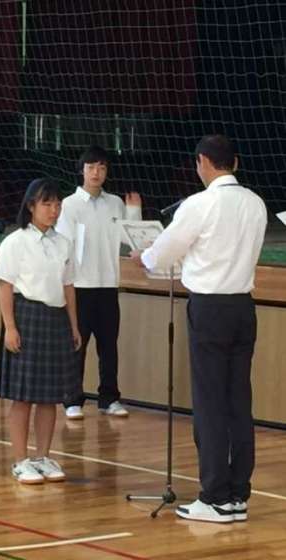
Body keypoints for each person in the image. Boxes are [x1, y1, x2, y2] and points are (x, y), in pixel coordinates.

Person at [132, 134, 267, 523]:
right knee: (238, 401)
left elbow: (163, 253)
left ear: (203, 162)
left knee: (209, 403)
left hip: (210, 308)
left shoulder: (200, 203)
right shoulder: (256, 203)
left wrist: (144, 257)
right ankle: (237, 495)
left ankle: (214, 497)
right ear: (235, 163)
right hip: (243, 307)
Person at [0, 178, 81, 485]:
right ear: (31, 206)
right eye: (47, 204)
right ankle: (20, 461)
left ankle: (42, 457)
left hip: (56, 319)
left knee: (49, 396)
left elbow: (68, 286)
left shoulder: (64, 242)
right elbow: (5, 286)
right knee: (23, 396)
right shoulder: (15, 242)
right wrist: (10, 327)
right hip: (27, 316)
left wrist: (73, 325)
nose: (54, 210)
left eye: (57, 204)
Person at [56, 145, 142, 419]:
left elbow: (129, 240)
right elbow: (64, 245)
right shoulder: (69, 205)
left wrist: (134, 211)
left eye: (102, 167)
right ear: (81, 170)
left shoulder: (115, 203)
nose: (96, 172)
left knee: (108, 346)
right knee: (76, 345)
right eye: (91, 167)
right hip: (80, 286)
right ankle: (72, 399)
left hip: (108, 285)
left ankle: (109, 398)